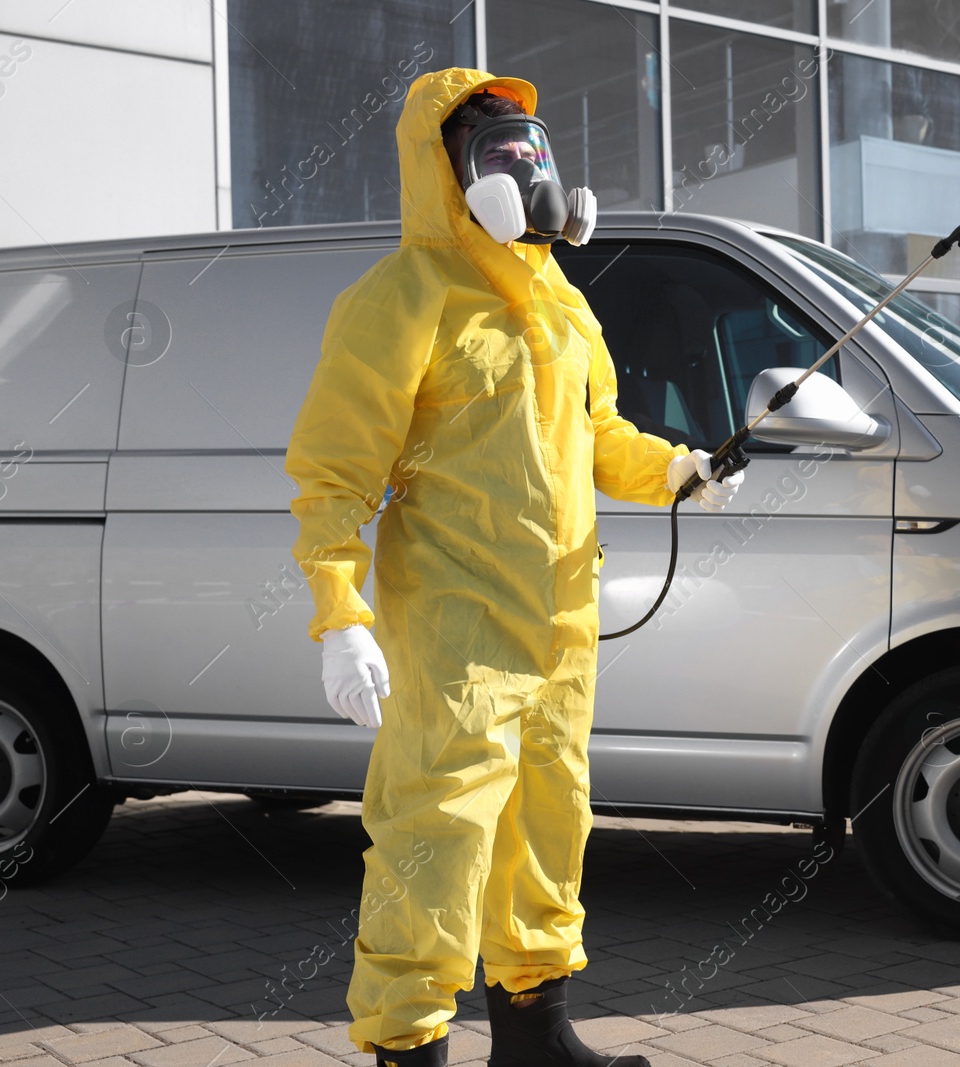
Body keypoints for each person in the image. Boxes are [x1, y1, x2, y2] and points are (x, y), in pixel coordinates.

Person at [284, 67, 744, 1067]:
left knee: (548, 825)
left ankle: (535, 1037)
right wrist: (341, 613)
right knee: (434, 837)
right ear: (444, 174)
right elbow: (334, 471)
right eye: (498, 157)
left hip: (558, 630)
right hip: (455, 630)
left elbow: (596, 435)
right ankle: (410, 1046)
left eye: (532, 155)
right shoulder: (403, 299)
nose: (526, 174)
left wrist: (673, 467)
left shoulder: (561, 303)